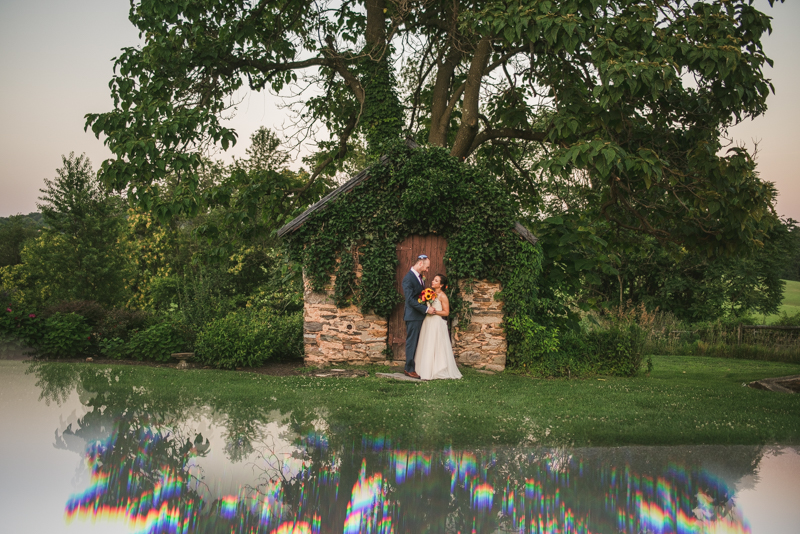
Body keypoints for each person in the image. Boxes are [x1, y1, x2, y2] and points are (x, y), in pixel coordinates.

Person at [415, 274, 462, 380]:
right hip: (428, 321)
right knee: (426, 343)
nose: (433, 281)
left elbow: (446, 312)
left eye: (436, 281)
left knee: (435, 345)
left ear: (441, 285)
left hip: (436, 323)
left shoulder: (442, 296)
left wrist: (434, 312)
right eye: (433, 279)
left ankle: (437, 369)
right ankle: (423, 369)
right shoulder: (430, 293)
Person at [401, 254, 436, 379]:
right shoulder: (408, 279)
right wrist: (426, 309)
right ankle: (409, 368)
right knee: (412, 342)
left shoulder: (419, 277)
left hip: (419, 315)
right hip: (413, 316)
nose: (427, 270)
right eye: (426, 267)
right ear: (420, 263)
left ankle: (417, 366)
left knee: (419, 342)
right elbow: (410, 300)